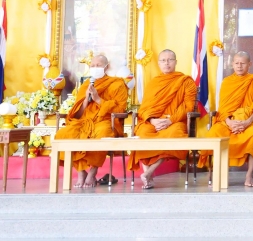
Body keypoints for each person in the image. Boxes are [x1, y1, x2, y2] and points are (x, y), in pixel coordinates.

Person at [54, 54, 128, 188]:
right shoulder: (86, 85)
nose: (95, 68)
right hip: (84, 121)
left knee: (102, 135)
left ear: (106, 67)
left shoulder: (117, 83)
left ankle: (92, 173)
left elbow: (121, 109)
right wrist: (86, 101)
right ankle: (81, 172)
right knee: (64, 134)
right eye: (92, 66)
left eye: (98, 65)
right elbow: (78, 114)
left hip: (105, 121)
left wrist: (98, 99)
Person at [127, 49, 197, 189]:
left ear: (176, 62)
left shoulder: (186, 81)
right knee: (142, 134)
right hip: (153, 121)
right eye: (163, 60)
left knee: (174, 135)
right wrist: (152, 120)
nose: (167, 63)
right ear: (158, 63)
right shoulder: (154, 83)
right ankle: (148, 176)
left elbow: (189, 106)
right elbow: (145, 108)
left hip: (174, 121)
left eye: (170, 60)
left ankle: (149, 173)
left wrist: (170, 120)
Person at [198, 51, 253, 187]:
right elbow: (222, 108)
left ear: (249, 64)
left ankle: (249, 176)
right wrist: (229, 122)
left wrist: (247, 122)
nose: (239, 66)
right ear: (232, 64)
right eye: (236, 63)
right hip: (227, 122)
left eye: (243, 63)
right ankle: (217, 174)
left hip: (249, 122)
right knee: (214, 133)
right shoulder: (227, 82)